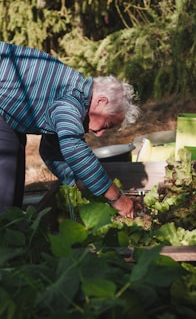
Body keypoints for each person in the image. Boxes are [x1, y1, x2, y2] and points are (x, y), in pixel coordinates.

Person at [0, 41, 140, 216]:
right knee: (7, 155)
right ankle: (6, 234)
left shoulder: (75, 93)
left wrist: (78, 183)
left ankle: (9, 229)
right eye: (107, 124)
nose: (101, 133)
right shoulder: (71, 101)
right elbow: (74, 150)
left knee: (13, 153)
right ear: (101, 101)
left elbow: (51, 149)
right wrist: (118, 200)